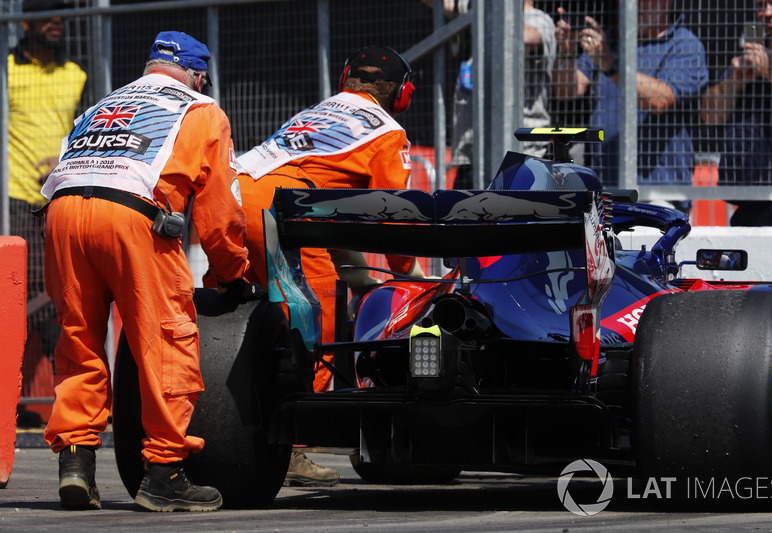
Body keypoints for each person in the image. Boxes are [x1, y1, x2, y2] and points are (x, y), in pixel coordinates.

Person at [40, 31, 261, 512]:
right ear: (198, 74)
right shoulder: (201, 109)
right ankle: (163, 474)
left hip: (62, 213)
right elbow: (220, 215)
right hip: (132, 217)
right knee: (166, 343)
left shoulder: (102, 104)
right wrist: (231, 274)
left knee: (79, 339)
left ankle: (76, 464)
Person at [233, 45, 424, 487]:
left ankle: (223, 428)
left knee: (238, 327)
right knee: (311, 327)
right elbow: (396, 221)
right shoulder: (387, 132)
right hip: (284, 214)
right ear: (401, 93)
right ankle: (296, 447)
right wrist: (410, 273)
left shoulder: (316, 112)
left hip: (233, 203)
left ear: (347, 80)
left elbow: (330, 208)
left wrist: (357, 277)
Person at [7, 0, 87, 404]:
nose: (57, 21)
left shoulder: (77, 74)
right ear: (26, 21)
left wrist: (65, 157)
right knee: (26, 296)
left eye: (62, 14)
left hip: (61, 196)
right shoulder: (6, 70)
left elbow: (93, 128)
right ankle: (20, 398)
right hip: (16, 198)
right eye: (47, 14)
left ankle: (71, 399)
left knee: (62, 295)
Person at [552, 0, 708, 192]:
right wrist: (566, 51)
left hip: (660, 189)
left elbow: (660, 100)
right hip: (606, 186)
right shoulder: (610, 40)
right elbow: (566, 91)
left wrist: (610, 63)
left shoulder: (685, 44)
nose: (635, 5)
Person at [700, 0, 772, 226]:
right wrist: (735, 80)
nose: (766, 13)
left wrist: (771, 70)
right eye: (760, 5)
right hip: (749, 200)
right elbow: (710, 116)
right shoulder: (752, 52)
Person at [437, 0, 556, 189]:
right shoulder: (480, 9)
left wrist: (494, 16)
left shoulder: (539, 19)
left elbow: (530, 37)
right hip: (471, 156)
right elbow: (446, 4)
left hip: (521, 159)